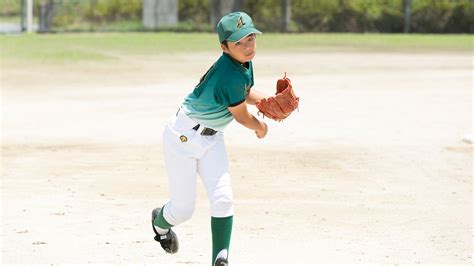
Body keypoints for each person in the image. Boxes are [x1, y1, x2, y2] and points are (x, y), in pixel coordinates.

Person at [151, 11, 268, 266]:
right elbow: (241, 117)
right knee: (182, 210)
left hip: (213, 138)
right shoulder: (228, 74)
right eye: (238, 43)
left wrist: (267, 100)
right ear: (224, 47)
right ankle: (160, 223)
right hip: (183, 138)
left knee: (223, 198)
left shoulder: (243, 64)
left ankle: (220, 258)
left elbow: (244, 92)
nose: (247, 47)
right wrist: (261, 127)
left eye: (250, 38)